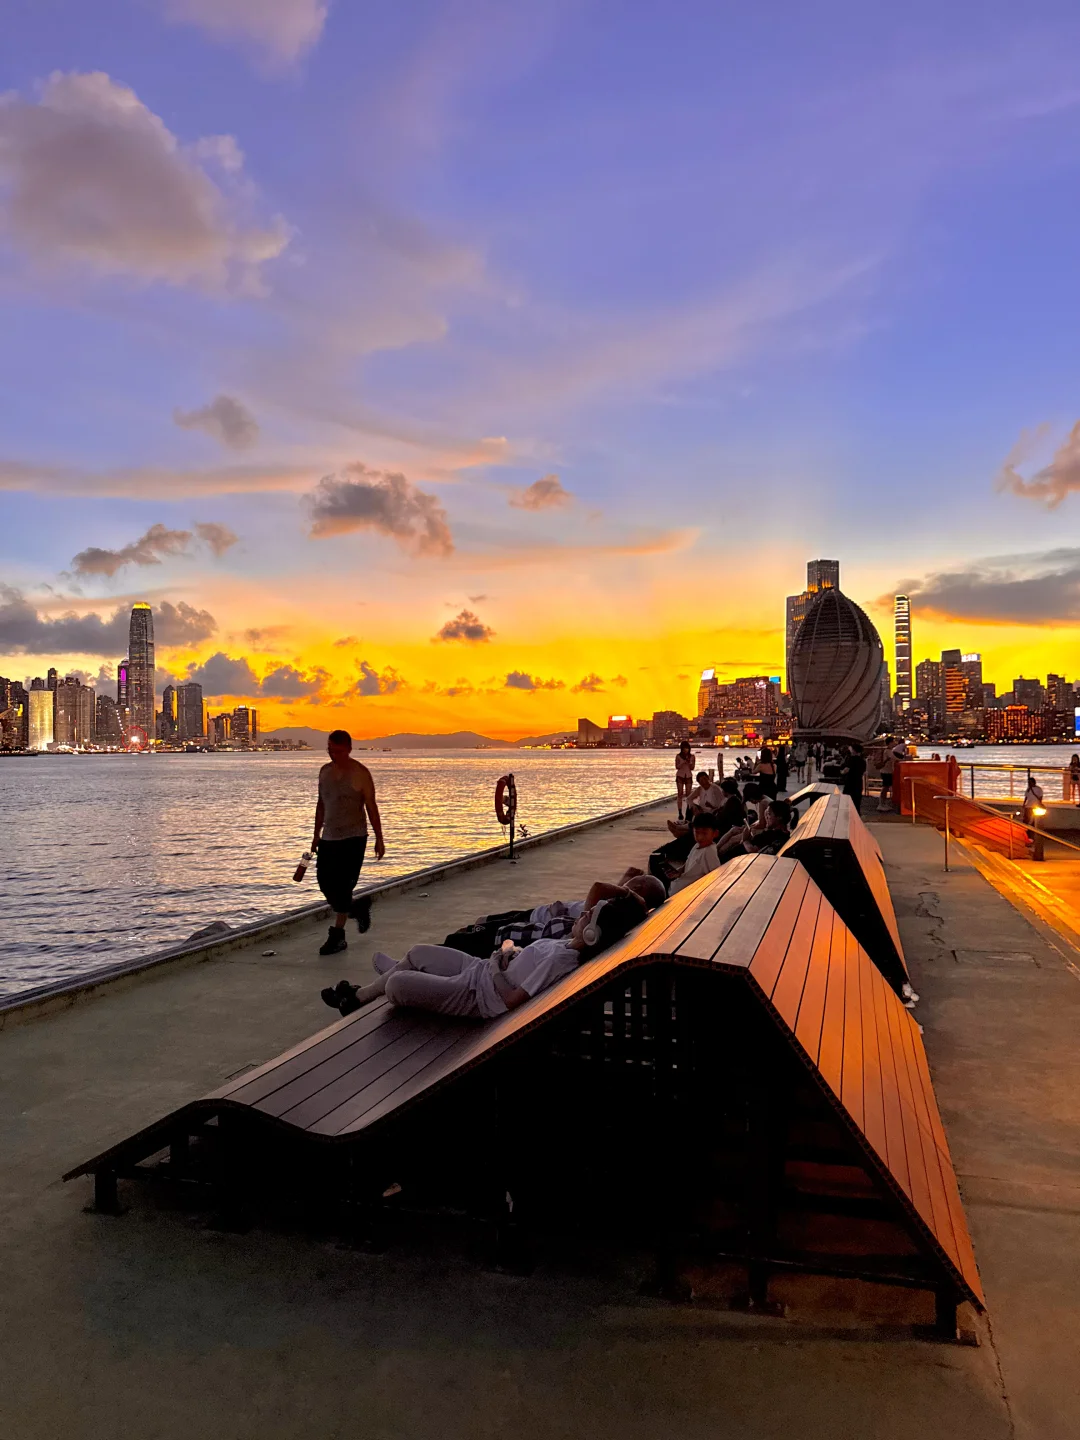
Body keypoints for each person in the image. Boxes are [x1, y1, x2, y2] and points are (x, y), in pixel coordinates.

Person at [322, 893, 645, 1019]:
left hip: (477, 996)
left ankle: (384, 987)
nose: (582, 916)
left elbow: (512, 1000)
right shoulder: (564, 947)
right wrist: (505, 957)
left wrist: (495, 966)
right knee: (418, 951)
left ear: (592, 935)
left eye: (588, 918)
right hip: (482, 971)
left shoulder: (561, 961)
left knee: (398, 986)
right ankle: (357, 999)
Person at [442, 873, 667, 956]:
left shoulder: (599, 918)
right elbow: (629, 874)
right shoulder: (613, 916)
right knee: (471, 931)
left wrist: (627, 891)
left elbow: (600, 885)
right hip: (524, 927)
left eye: (633, 884)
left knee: (458, 939)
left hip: (516, 933)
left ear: (636, 891)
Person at [312, 730, 385, 956]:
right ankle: (357, 908)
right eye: (330, 750)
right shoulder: (324, 772)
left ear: (349, 749)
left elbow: (371, 808)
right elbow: (321, 804)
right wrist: (316, 834)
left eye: (339, 751)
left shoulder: (360, 773)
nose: (334, 755)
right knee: (325, 882)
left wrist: (379, 838)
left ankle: (337, 936)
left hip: (354, 838)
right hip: (329, 837)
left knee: (343, 887)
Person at [668, 812, 724, 893]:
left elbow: (716, 876)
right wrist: (679, 871)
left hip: (688, 892)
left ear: (715, 834)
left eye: (704, 833)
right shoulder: (697, 846)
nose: (700, 837)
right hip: (678, 886)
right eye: (697, 833)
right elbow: (688, 862)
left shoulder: (709, 852)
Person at [839, 741, 867, 815]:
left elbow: (846, 770)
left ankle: (847, 814)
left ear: (854, 750)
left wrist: (841, 772)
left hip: (850, 781)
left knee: (847, 798)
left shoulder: (851, 759)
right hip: (858, 781)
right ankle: (857, 814)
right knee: (857, 799)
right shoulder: (863, 761)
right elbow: (864, 771)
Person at [675, 741, 695, 820]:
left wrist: (689, 763)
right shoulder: (678, 756)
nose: (685, 750)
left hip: (688, 776)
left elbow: (692, 768)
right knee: (680, 793)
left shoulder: (692, 757)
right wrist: (683, 762)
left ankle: (688, 810)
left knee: (688, 794)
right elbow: (677, 766)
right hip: (680, 775)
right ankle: (680, 812)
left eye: (687, 748)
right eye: (684, 748)